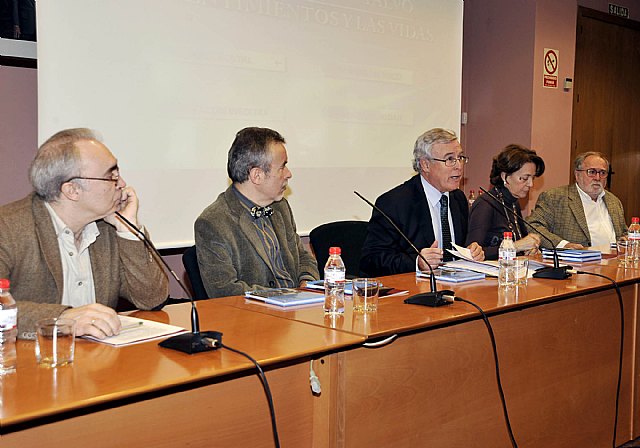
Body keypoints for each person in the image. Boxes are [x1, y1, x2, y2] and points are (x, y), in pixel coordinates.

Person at [0, 128, 169, 339]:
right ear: (72, 190)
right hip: (28, 361)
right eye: (112, 176)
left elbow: (152, 298)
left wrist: (129, 230)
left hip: (98, 361)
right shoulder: (8, 228)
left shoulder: (109, 226)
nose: (122, 184)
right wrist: (63, 320)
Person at [195, 127, 319, 298]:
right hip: (255, 318)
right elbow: (224, 291)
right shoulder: (213, 222)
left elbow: (303, 257)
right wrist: (284, 297)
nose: (289, 174)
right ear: (257, 175)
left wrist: (307, 282)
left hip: (297, 309)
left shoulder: (280, 207)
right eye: (282, 167)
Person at [360, 128, 484, 277]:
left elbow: (455, 251)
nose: (459, 166)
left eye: (460, 158)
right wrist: (417, 262)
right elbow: (371, 260)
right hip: (412, 291)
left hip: (455, 289)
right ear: (425, 165)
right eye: (450, 159)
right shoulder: (394, 203)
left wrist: (471, 254)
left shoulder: (458, 199)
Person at [527, 151, 627, 249]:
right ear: (577, 175)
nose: (597, 178)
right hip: (575, 263)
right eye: (591, 172)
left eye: (603, 173)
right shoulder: (554, 197)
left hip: (613, 262)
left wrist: (625, 239)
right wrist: (563, 245)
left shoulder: (614, 201)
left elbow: (623, 232)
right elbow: (533, 225)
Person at [466, 144, 545, 259]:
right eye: (524, 178)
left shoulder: (513, 203)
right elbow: (471, 253)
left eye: (532, 178)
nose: (530, 184)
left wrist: (530, 247)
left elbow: (522, 242)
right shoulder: (485, 204)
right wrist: (516, 246)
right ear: (505, 177)